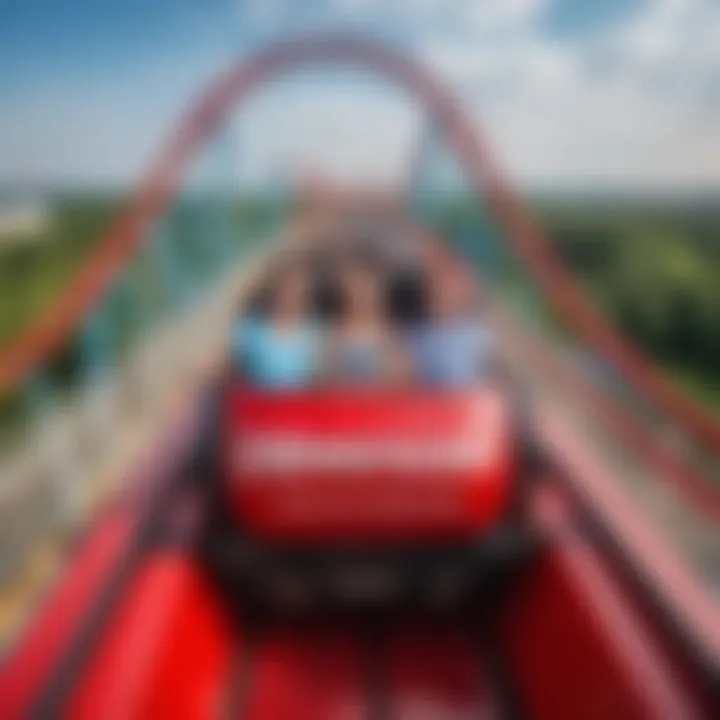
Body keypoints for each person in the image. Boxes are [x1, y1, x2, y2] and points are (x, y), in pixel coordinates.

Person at [323, 253, 409, 386]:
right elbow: (326, 378)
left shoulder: (390, 331)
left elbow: (402, 378)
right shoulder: (337, 332)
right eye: (356, 291)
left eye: (367, 290)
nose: (361, 298)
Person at [232, 263, 320, 388]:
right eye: (286, 290)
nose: (292, 296)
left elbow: (317, 375)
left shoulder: (312, 330)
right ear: (274, 291)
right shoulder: (251, 328)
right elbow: (238, 369)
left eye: (298, 291)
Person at [408, 265, 492, 387]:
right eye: (435, 287)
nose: (441, 293)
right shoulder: (414, 336)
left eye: (447, 288)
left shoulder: (481, 336)